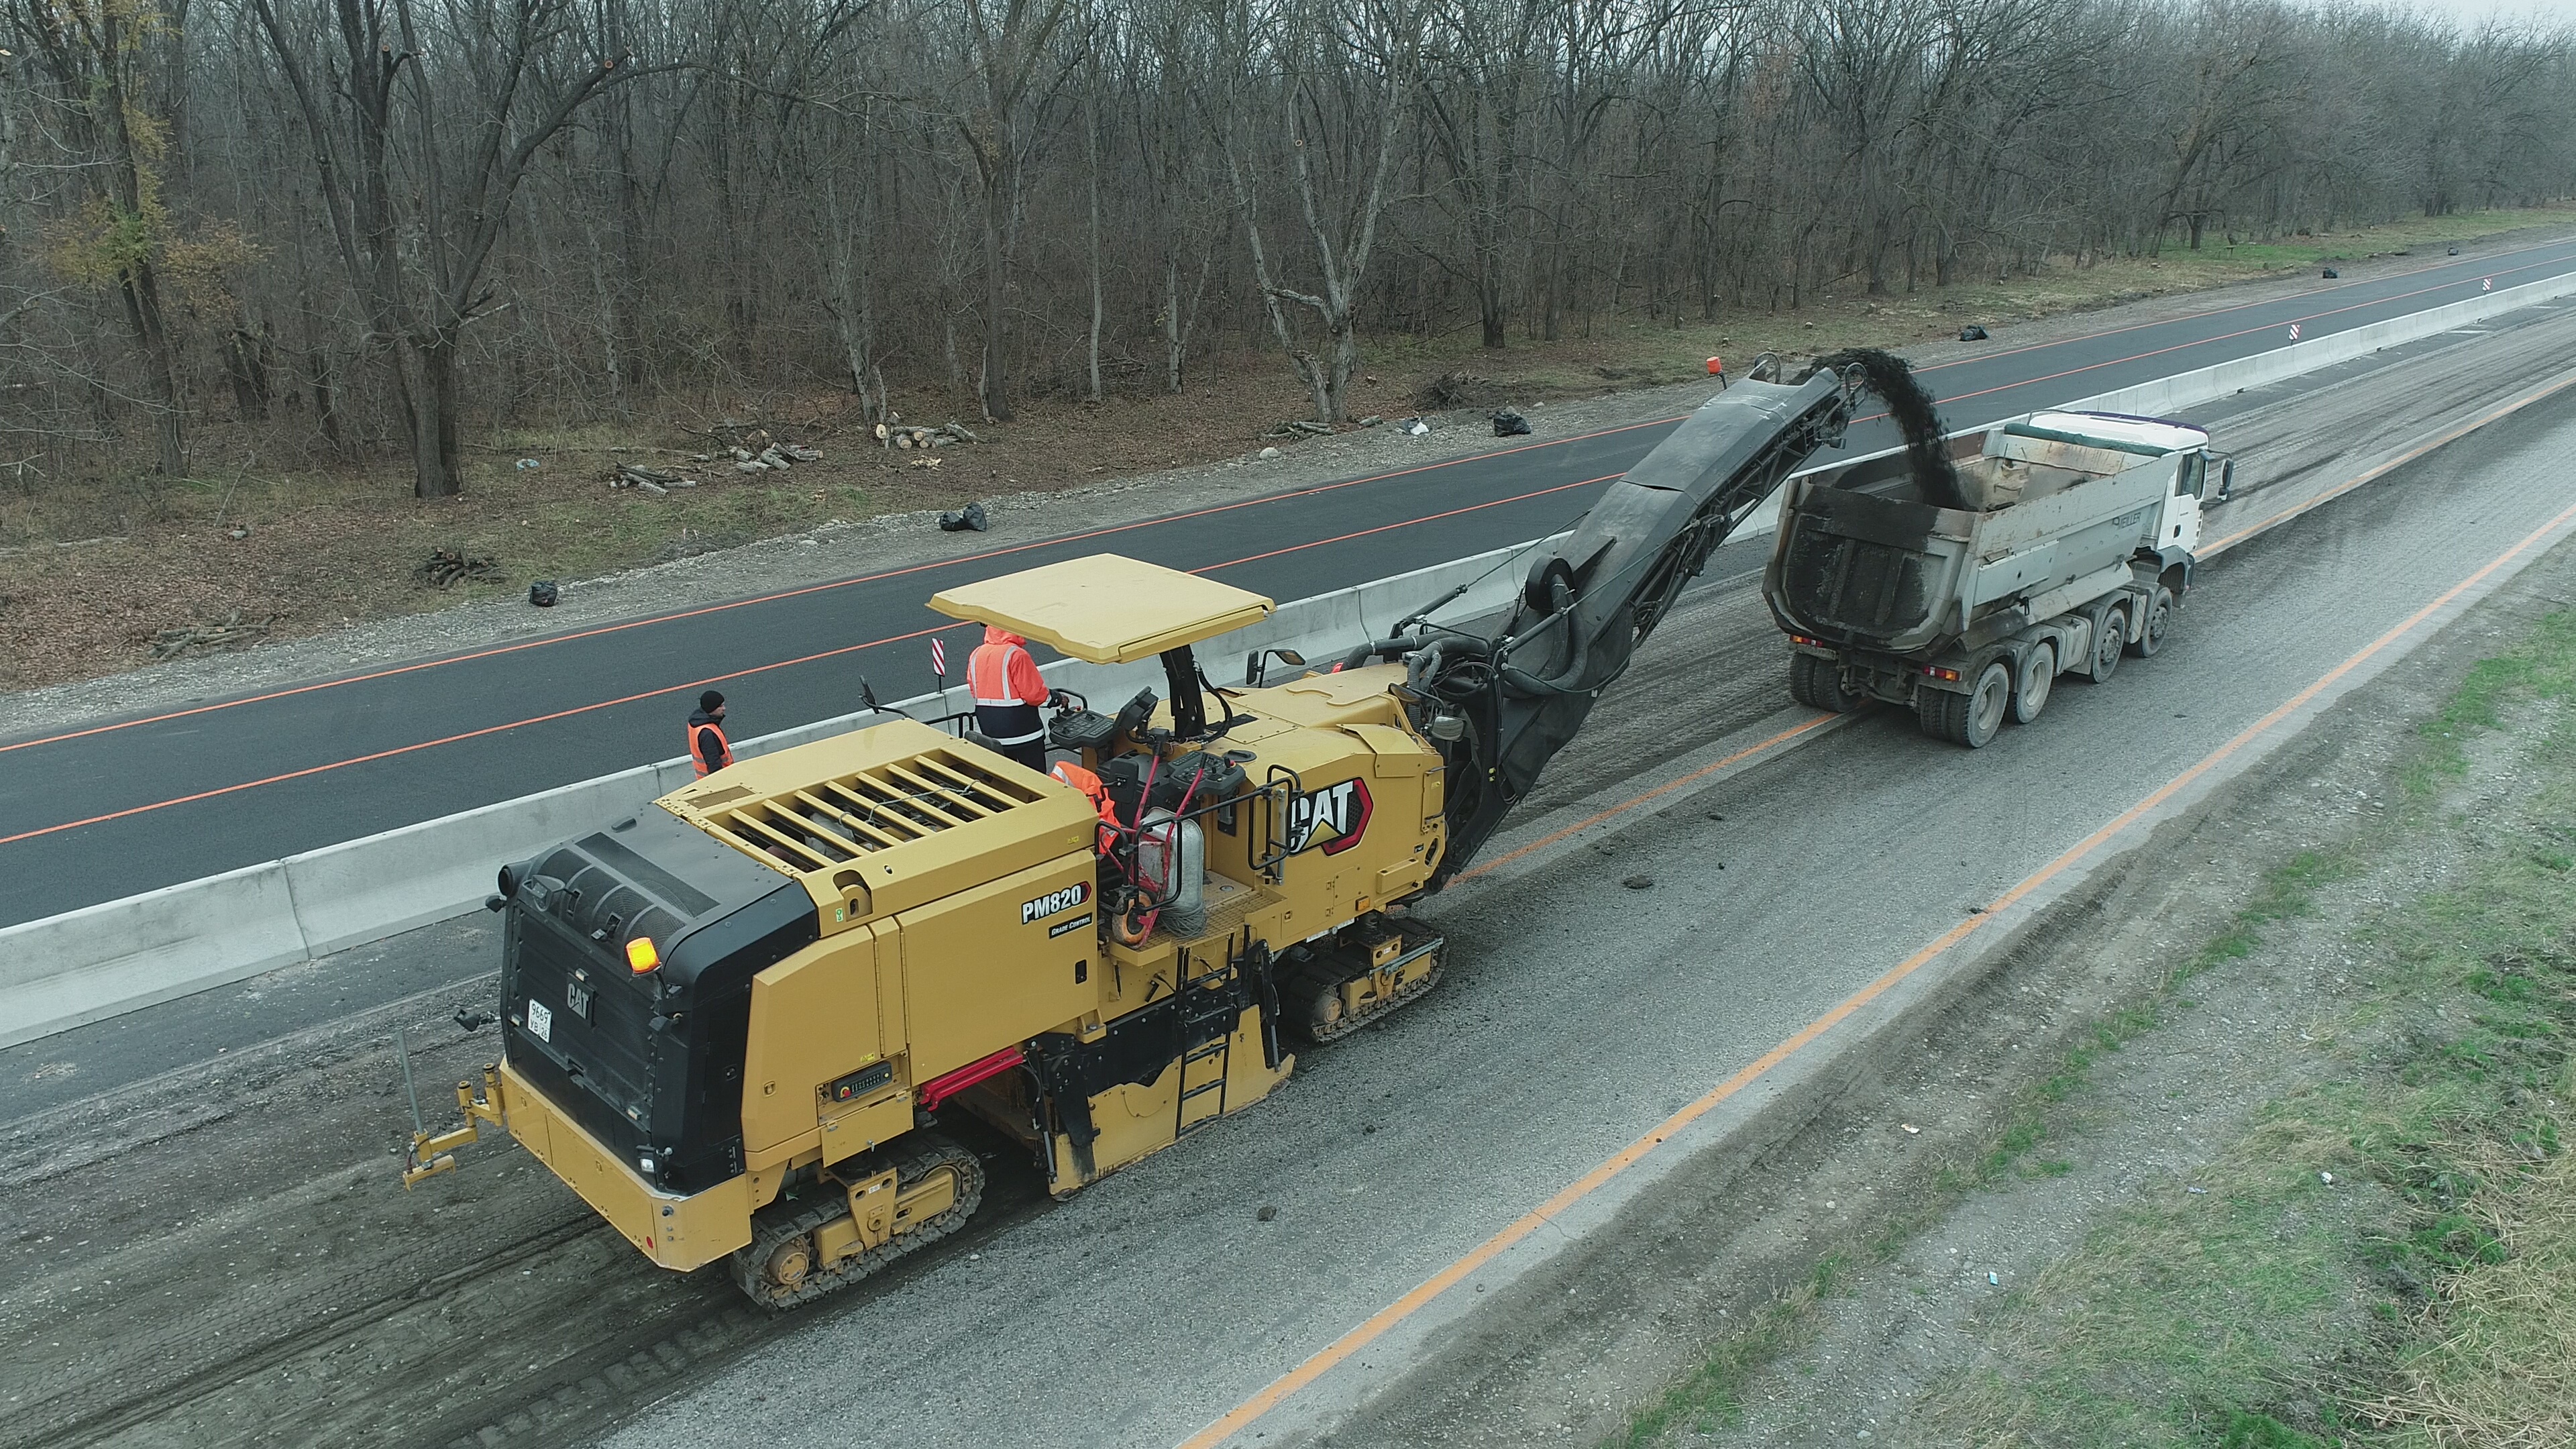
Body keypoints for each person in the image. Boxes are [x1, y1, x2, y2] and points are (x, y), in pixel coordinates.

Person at [967, 625, 1059, 771]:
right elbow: (1034, 695)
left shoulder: (976, 654)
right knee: (1035, 779)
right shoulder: (1017, 655)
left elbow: (974, 690)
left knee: (1008, 777)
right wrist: (1056, 699)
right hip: (1025, 734)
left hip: (992, 734)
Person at [687, 690, 733, 777]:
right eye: (720, 706)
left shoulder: (697, 723)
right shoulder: (707, 734)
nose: (724, 708)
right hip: (721, 779)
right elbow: (714, 765)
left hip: (705, 779)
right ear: (712, 709)